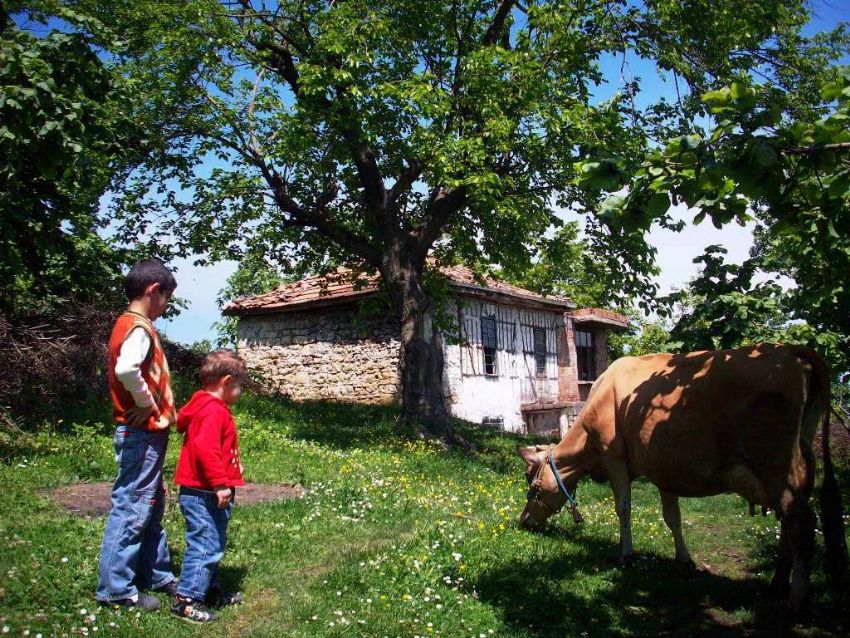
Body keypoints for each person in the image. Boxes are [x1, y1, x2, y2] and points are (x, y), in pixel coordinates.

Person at [96, 259, 178, 610]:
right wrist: (145, 403)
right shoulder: (139, 328)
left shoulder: (130, 324)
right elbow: (127, 369)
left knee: (151, 503)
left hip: (147, 434)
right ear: (152, 291)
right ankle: (116, 589)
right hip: (141, 431)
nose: (167, 305)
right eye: (166, 298)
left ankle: (154, 573)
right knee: (133, 507)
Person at [171, 349, 247, 622]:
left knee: (214, 540)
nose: (240, 392)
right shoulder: (213, 411)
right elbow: (205, 449)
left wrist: (231, 469)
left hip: (207, 491)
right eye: (239, 386)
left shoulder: (202, 405)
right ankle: (186, 600)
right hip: (205, 492)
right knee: (204, 544)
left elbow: (216, 448)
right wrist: (219, 483)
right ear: (226, 382)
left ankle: (210, 590)